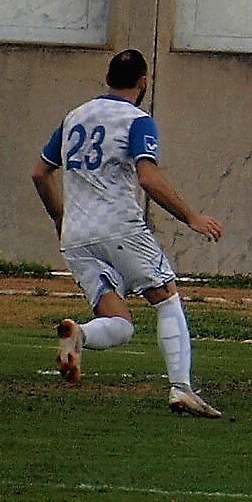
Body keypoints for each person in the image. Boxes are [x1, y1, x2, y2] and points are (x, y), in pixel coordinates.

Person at [33, 49, 224, 419]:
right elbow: (148, 177)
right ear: (143, 83)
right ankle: (181, 388)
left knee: (120, 323)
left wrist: (60, 217)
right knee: (166, 298)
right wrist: (192, 217)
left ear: (107, 79)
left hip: (76, 235)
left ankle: (81, 335)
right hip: (119, 226)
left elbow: (40, 172)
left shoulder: (74, 117)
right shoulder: (138, 120)